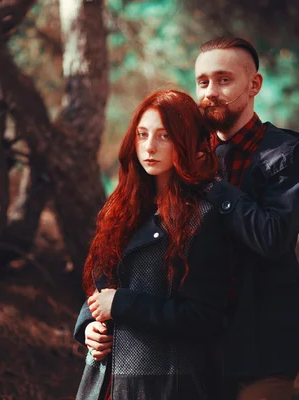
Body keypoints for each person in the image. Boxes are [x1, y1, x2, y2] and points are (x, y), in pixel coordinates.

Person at [74, 89, 230, 400]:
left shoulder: (203, 217)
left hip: (165, 384)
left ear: (185, 141)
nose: (149, 147)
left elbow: (204, 317)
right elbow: (101, 289)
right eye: (142, 134)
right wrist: (88, 327)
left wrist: (122, 305)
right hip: (103, 379)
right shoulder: (122, 208)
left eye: (164, 136)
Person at [195, 37, 299, 399]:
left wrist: (213, 185)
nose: (211, 92)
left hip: (268, 338)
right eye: (203, 82)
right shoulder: (187, 150)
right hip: (201, 335)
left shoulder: (286, 153)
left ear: (254, 85)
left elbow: (273, 237)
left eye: (223, 80)